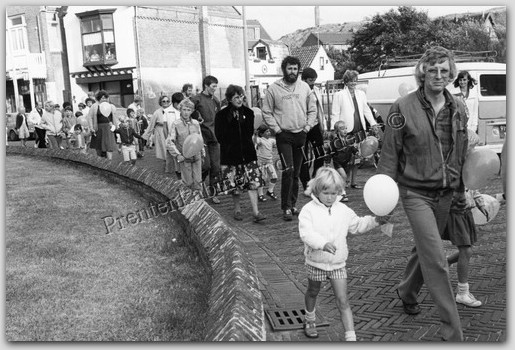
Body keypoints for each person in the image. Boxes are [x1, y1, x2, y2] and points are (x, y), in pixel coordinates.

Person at [377, 46, 469, 341]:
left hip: (445, 192)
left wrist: (461, 191)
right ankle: (453, 333)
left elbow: (461, 153)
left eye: (444, 70)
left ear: (451, 74)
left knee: (424, 249)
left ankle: (407, 290)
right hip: (414, 192)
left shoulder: (459, 108)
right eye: (432, 70)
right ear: (422, 73)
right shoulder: (401, 108)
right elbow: (390, 154)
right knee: (436, 258)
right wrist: (384, 201)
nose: (439, 76)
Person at [299, 167, 390, 341]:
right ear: (317, 190)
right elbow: (306, 233)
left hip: (338, 263)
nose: (330, 197)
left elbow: (357, 225)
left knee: (343, 300)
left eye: (334, 193)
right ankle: (309, 319)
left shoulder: (343, 210)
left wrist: (376, 220)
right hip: (316, 261)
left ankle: (351, 337)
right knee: (312, 291)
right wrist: (322, 244)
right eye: (326, 192)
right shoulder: (308, 210)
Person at [262, 56, 317, 221]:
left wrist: (308, 127)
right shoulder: (273, 89)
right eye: (289, 68)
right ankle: (285, 207)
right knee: (288, 170)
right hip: (284, 136)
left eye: (295, 69)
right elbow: (266, 111)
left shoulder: (305, 87)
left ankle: (293, 205)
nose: (292, 72)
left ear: (298, 70)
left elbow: (312, 109)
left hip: (301, 135)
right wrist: (277, 129)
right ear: (283, 69)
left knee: (297, 172)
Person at [215, 85, 266, 223]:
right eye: (236, 97)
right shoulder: (221, 115)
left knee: (253, 182)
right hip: (231, 155)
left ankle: (256, 212)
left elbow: (249, 132)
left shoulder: (249, 113)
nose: (240, 99)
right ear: (229, 99)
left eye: (241, 96)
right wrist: (232, 122)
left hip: (248, 153)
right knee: (235, 184)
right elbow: (219, 135)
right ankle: (237, 209)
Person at [330, 70, 379, 189]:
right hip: (345, 130)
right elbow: (335, 113)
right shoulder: (339, 95)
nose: (353, 83)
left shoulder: (361, 94)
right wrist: (333, 129)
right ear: (346, 82)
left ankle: (353, 181)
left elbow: (366, 110)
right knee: (346, 157)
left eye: (355, 81)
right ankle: (345, 181)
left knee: (356, 157)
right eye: (351, 81)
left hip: (359, 128)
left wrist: (373, 123)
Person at [191, 75, 222, 204]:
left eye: (216, 86)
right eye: (213, 86)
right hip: (201, 136)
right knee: (205, 165)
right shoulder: (196, 99)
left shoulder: (216, 100)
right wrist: (196, 115)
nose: (215, 89)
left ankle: (213, 192)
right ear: (206, 86)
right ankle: (199, 186)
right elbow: (185, 109)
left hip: (215, 137)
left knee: (216, 167)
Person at [299, 68, 327, 195]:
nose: (312, 83)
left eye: (314, 81)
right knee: (303, 157)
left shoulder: (316, 90)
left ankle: (316, 179)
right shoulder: (298, 90)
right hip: (302, 127)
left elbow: (320, 109)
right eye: (310, 80)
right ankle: (306, 183)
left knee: (320, 153)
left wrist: (323, 126)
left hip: (315, 125)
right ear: (304, 79)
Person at [166, 98, 204, 191]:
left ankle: (199, 201)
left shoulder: (195, 123)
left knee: (198, 181)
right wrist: (177, 155)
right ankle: (188, 201)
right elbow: (170, 142)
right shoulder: (176, 124)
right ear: (180, 110)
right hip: (184, 157)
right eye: (184, 109)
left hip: (197, 156)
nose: (186, 112)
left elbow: (199, 138)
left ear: (192, 111)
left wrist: (202, 152)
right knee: (187, 182)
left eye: (189, 110)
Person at [143, 95, 176, 173]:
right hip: (160, 132)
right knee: (164, 151)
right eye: (163, 101)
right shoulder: (157, 112)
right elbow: (151, 125)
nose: (166, 103)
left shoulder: (173, 111)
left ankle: (173, 168)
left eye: (167, 101)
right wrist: (146, 136)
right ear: (160, 102)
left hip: (171, 131)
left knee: (173, 149)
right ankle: (167, 168)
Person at [329, 120, 358, 202]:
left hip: (346, 162)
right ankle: (342, 193)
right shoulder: (334, 142)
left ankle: (336, 191)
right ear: (337, 131)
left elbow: (352, 148)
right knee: (344, 176)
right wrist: (327, 162)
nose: (345, 130)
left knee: (341, 178)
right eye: (342, 129)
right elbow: (330, 152)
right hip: (338, 162)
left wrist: (356, 152)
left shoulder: (349, 139)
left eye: (346, 128)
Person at [87, 90, 118, 159]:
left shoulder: (111, 106)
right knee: (98, 146)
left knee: (109, 145)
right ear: (99, 98)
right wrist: (91, 128)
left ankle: (109, 161)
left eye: (105, 98)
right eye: (102, 98)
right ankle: (100, 160)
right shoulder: (94, 106)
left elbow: (115, 118)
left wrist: (114, 126)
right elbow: (90, 117)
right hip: (98, 128)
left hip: (108, 128)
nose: (104, 99)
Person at [253, 125, 278, 202]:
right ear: (261, 133)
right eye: (266, 131)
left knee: (274, 177)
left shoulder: (272, 140)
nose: (269, 133)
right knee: (262, 180)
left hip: (269, 162)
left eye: (269, 131)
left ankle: (270, 191)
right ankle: (260, 195)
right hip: (261, 163)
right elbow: (255, 140)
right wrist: (255, 135)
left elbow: (278, 145)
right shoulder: (260, 140)